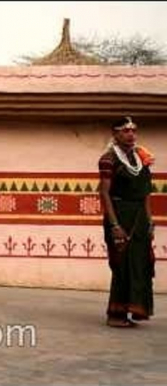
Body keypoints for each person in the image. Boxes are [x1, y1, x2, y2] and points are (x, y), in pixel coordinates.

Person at [99, 116, 155, 328]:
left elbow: (146, 193)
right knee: (122, 265)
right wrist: (114, 225)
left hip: (140, 217)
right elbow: (104, 193)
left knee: (140, 264)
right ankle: (116, 314)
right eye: (125, 131)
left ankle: (133, 309)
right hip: (120, 214)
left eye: (133, 130)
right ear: (115, 134)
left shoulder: (141, 158)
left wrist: (150, 221)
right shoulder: (108, 159)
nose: (130, 134)